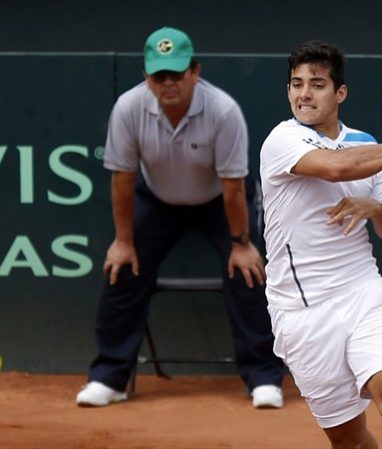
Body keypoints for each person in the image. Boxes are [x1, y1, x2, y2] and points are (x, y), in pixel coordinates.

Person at [259, 40, 382, 448]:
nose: (304, 94)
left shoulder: (366, 144)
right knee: (350, 440)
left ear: (340, 94)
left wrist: (375, 209)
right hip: (302, 313)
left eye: (317, 84)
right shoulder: (281, 140)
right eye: (296, 84)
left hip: (363, 292)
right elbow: (336, 168)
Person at [76, 26, 284, 409]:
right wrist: (123, 241)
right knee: (121, 268)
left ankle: (263, 377)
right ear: (147, 78)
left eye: (177, 73)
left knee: (250, 271)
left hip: (219, 201)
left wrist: (241, 244)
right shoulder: (128, 108)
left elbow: (234, 187)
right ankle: (110, 377)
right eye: (159, 75)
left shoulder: (223, 111)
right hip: (157, 200)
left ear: (195, 72)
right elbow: (122, 181)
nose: (168, 83)